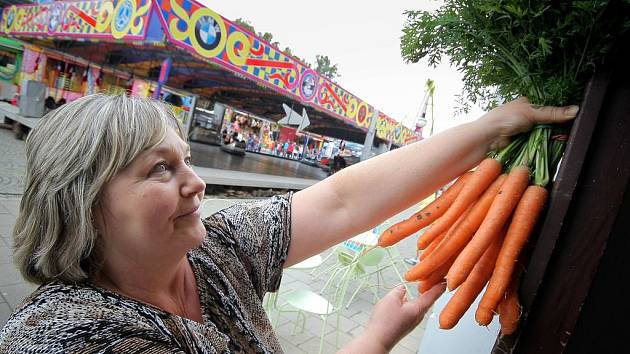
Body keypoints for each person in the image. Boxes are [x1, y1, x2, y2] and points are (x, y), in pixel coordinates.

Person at [0, 94, 577, 353]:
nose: (195, 184)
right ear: (84, 202)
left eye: (187, 160)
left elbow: (340, 204)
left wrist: (493, 127)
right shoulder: (70, 340)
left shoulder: (211, 254)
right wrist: (373, 341)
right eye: (161, 170)